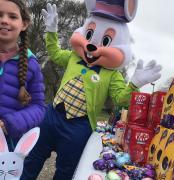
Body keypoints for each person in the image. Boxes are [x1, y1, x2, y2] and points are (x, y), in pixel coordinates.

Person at [21, 1, 162, 180]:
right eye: (89, 34)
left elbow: (121, 99)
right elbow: (55, 53)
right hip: (52, 115)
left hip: (79, 126)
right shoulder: (73, 57)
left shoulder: (112, 74)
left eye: (105, 41)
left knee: (66, 168)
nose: (92, 46)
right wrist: (51, 31)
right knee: (33, 158)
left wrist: (134, 84)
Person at [0, 0, 46, 151]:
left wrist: (12, 123)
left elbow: (39, 107)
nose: (4, 20)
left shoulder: (31, 63)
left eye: (12, 17)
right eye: (0, 15)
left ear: (24, 24)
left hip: (8, 146)